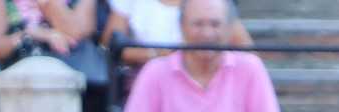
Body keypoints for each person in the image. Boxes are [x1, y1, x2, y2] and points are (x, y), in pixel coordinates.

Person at [117, 0, 279, 112]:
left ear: (230, 29)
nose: (207, 33)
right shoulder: (155, 71)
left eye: (215, 24)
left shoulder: (250, 67)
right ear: (181, 27)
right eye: (198, 24)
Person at [102, 0, 252, 66]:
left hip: (209, 78)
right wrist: (158, 56)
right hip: (145, 78)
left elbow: (247, 50)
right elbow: (111, 44)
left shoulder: (211, 3)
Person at [0, 0, 97, 64]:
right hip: (23, 86)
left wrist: (47, 4)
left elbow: (77, 32)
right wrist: (28, 35)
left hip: (72, 81)